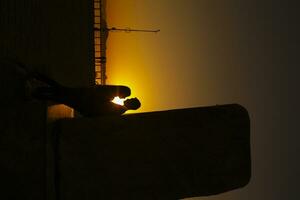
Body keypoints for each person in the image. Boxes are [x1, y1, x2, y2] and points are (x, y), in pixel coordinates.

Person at [29, 72, 141, 117]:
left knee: (61, 93)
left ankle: (38, 85)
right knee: (61, 93)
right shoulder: (118, 107)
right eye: (127, 96)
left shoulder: (118, 108)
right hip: (84, 99)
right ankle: (38, 88)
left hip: (84, 100)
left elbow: (99, 107)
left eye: (129, 98)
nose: (126, 98)